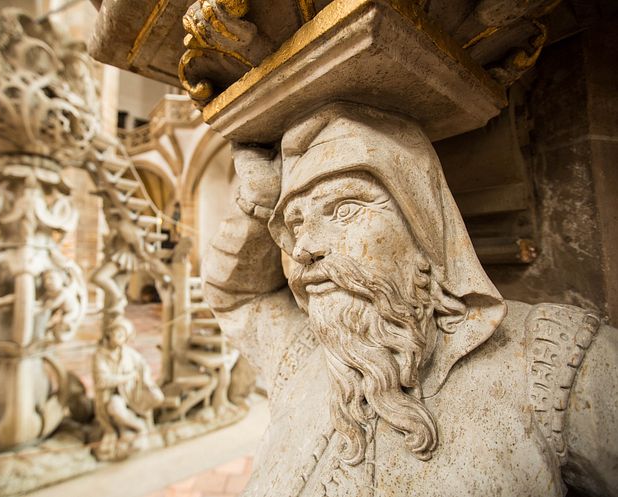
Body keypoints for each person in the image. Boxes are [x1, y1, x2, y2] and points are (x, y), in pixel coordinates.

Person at [203, 102, 618, 497]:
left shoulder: (554, 362)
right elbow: (238, 298)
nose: (305, 247)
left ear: (424, 226)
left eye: (344, 209)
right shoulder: (304, 353)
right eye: (296, 223)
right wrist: (256, 204)